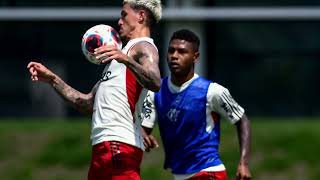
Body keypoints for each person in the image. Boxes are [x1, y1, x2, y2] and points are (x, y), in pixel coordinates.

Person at [27, 0, 162, 179]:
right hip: (102, 147)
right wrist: (53, 80)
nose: (119, 21)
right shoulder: (119, 57)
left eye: (124, 15)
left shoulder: (143, 47)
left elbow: (155, 81)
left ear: (141, 16)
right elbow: (87, 104)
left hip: (119, 145)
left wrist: (125, 59)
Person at [141, 29, 252, 180]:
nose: (174, 56)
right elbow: (143, 130)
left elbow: (242, 120)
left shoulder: (212, 91)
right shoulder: (155, 91)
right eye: (171, 50)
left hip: (207, 171)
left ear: (196, 57)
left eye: (182, 52)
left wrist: (243, 163)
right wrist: (142, 135)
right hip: (179, 174)